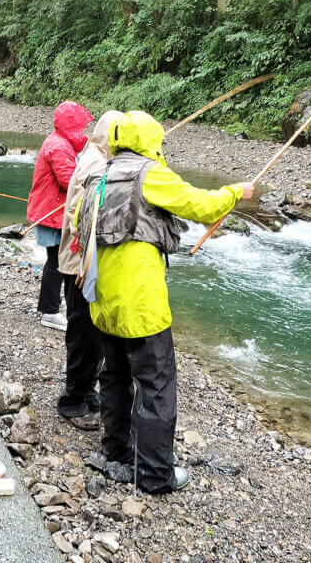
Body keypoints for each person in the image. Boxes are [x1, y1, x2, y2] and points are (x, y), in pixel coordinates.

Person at [75, 111, 254, 494]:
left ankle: (116, 454)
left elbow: (80, 228)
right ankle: (155, 474)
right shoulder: (150, 174)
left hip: (102, 300)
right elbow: (201, 206)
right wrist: (237, 192)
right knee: (156, 386)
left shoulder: (97, 176)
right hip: (141, 304)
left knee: (115, 377)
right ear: (149, 139)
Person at [56, 109, 122, 430]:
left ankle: (87, 389)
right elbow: (78, 218)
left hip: (86, 262)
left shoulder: (98, 157)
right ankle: (73, 400)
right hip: (80, 263)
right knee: (83, 332)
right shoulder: (96, 164)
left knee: (93, 333)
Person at [26, 101, 93, 331]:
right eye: (81, 126)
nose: (83, 131)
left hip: (49, 210)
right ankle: (49, 311)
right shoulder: (60, 147)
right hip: (50, 213)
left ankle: (54, 302)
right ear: (70, 124)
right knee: (56, 261)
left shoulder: (58, 141)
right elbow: (69, 181)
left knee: (57, 260)